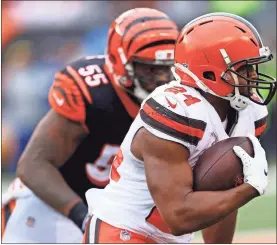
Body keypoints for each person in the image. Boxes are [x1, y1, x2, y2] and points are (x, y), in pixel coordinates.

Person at [84, 12, 276, 243]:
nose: (253, 76)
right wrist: (249, 189)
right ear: (210, 72)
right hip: (124, 230)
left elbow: (220, 189)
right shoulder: (175, 110)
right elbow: (178, 217)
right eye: (244, 69)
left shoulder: (250, 112)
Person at [1, 8, 178, 243]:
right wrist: (82, 216)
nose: (163, 79)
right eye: (150, 68)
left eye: (168, 67)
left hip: (117, 212)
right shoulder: (94, 91)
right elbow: (33, 164)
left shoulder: (181, 97)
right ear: (119, 61)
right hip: (54, 206)